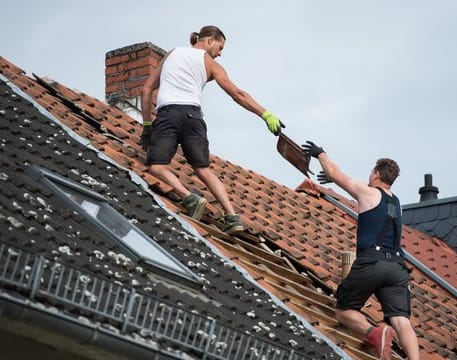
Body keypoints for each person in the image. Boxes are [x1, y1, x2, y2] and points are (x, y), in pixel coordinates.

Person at [140, 25, 283, 234]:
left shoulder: (173, 54)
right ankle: (232, 216)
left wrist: (146, 126)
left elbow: (146, 90)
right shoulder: (211, 64)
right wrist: (265, 114)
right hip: (193, 118)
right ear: (209, 40)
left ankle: (189, 198)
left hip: (168, 115)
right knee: (203, 169)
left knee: (157, 166)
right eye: (220, 47)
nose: (220, 53)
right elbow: (237, 94)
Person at [302, 141, 419, 360]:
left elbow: (335, 173)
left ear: (376, 173)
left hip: (372, 263)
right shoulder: (396, 202)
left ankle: (375, 333)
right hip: (397, 268)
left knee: (344, 310)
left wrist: (321, 154)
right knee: (402, 321)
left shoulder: (369, 193)